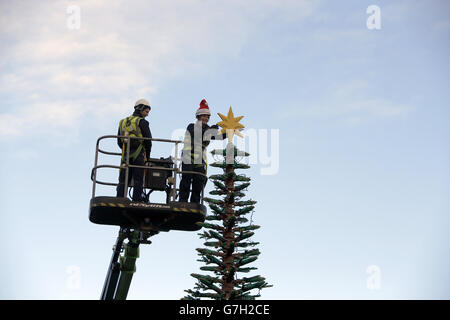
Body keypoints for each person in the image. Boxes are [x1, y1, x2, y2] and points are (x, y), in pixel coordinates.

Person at [179, 99, 225, 203]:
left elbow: (220, 137)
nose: (206, 118)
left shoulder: (208, 130)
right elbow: (197, 134)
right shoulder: (191, 126)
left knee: (198, 181)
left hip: (200, 159)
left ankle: (194, 203)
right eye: (204, 116)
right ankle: (183, 201)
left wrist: (230, 130)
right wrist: (210, 130)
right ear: (199, 116)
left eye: (208, 116)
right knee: (187, 178)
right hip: (188, 156)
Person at [116, 99, 152, 202]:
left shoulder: (123, 122)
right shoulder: (142, 122)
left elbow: (119, 141)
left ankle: (119, 199)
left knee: (123, 179)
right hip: (138, 153)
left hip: (125, 154)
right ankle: (137, 200)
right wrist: (147, 157)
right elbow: (148, 140)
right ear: (140, 108)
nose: (147, 114)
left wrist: (126, 150)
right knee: (138, 179)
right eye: (146, 111)